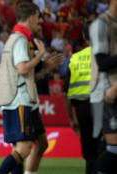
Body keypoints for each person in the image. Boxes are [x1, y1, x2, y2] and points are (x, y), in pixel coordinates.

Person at [0, 2, 46, 173]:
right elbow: (23, 68)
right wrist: (40, 55)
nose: (39, 22)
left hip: (17, 97)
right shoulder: (20, 40)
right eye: (38, 18)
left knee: (26, 147)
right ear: (31, 18)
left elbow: (1, 74)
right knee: (24, 149)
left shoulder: (13, 39)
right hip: (20, 99)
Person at [63, 21, 100, 174]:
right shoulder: (105, 56)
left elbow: (65, 94)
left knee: (90, 155)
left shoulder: (75, 59)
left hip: (82, 110)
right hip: (102, 108)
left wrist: (72, 119)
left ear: (84, 36)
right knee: (106, 150)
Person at [89, 0, 117, 172]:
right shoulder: (101, 24)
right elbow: (102, 62)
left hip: (114, 90)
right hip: (106, 94)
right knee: (111, 149)